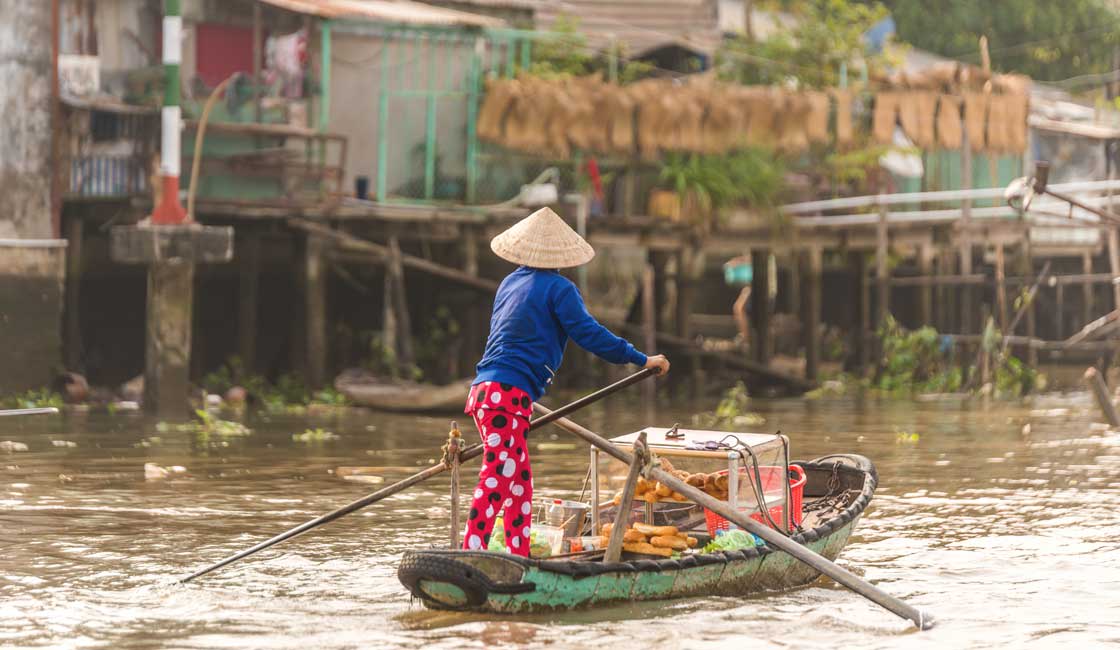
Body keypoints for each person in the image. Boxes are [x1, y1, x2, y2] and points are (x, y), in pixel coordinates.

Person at [462, 207, 670, 556]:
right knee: (498, 476)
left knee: (519, 481)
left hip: (486, 392)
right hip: (507, 395)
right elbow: (590, 335)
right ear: (561, 257)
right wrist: (640, 359)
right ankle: (471, 549)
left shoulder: (509, 282)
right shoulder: (560, 289)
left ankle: (518, 552)